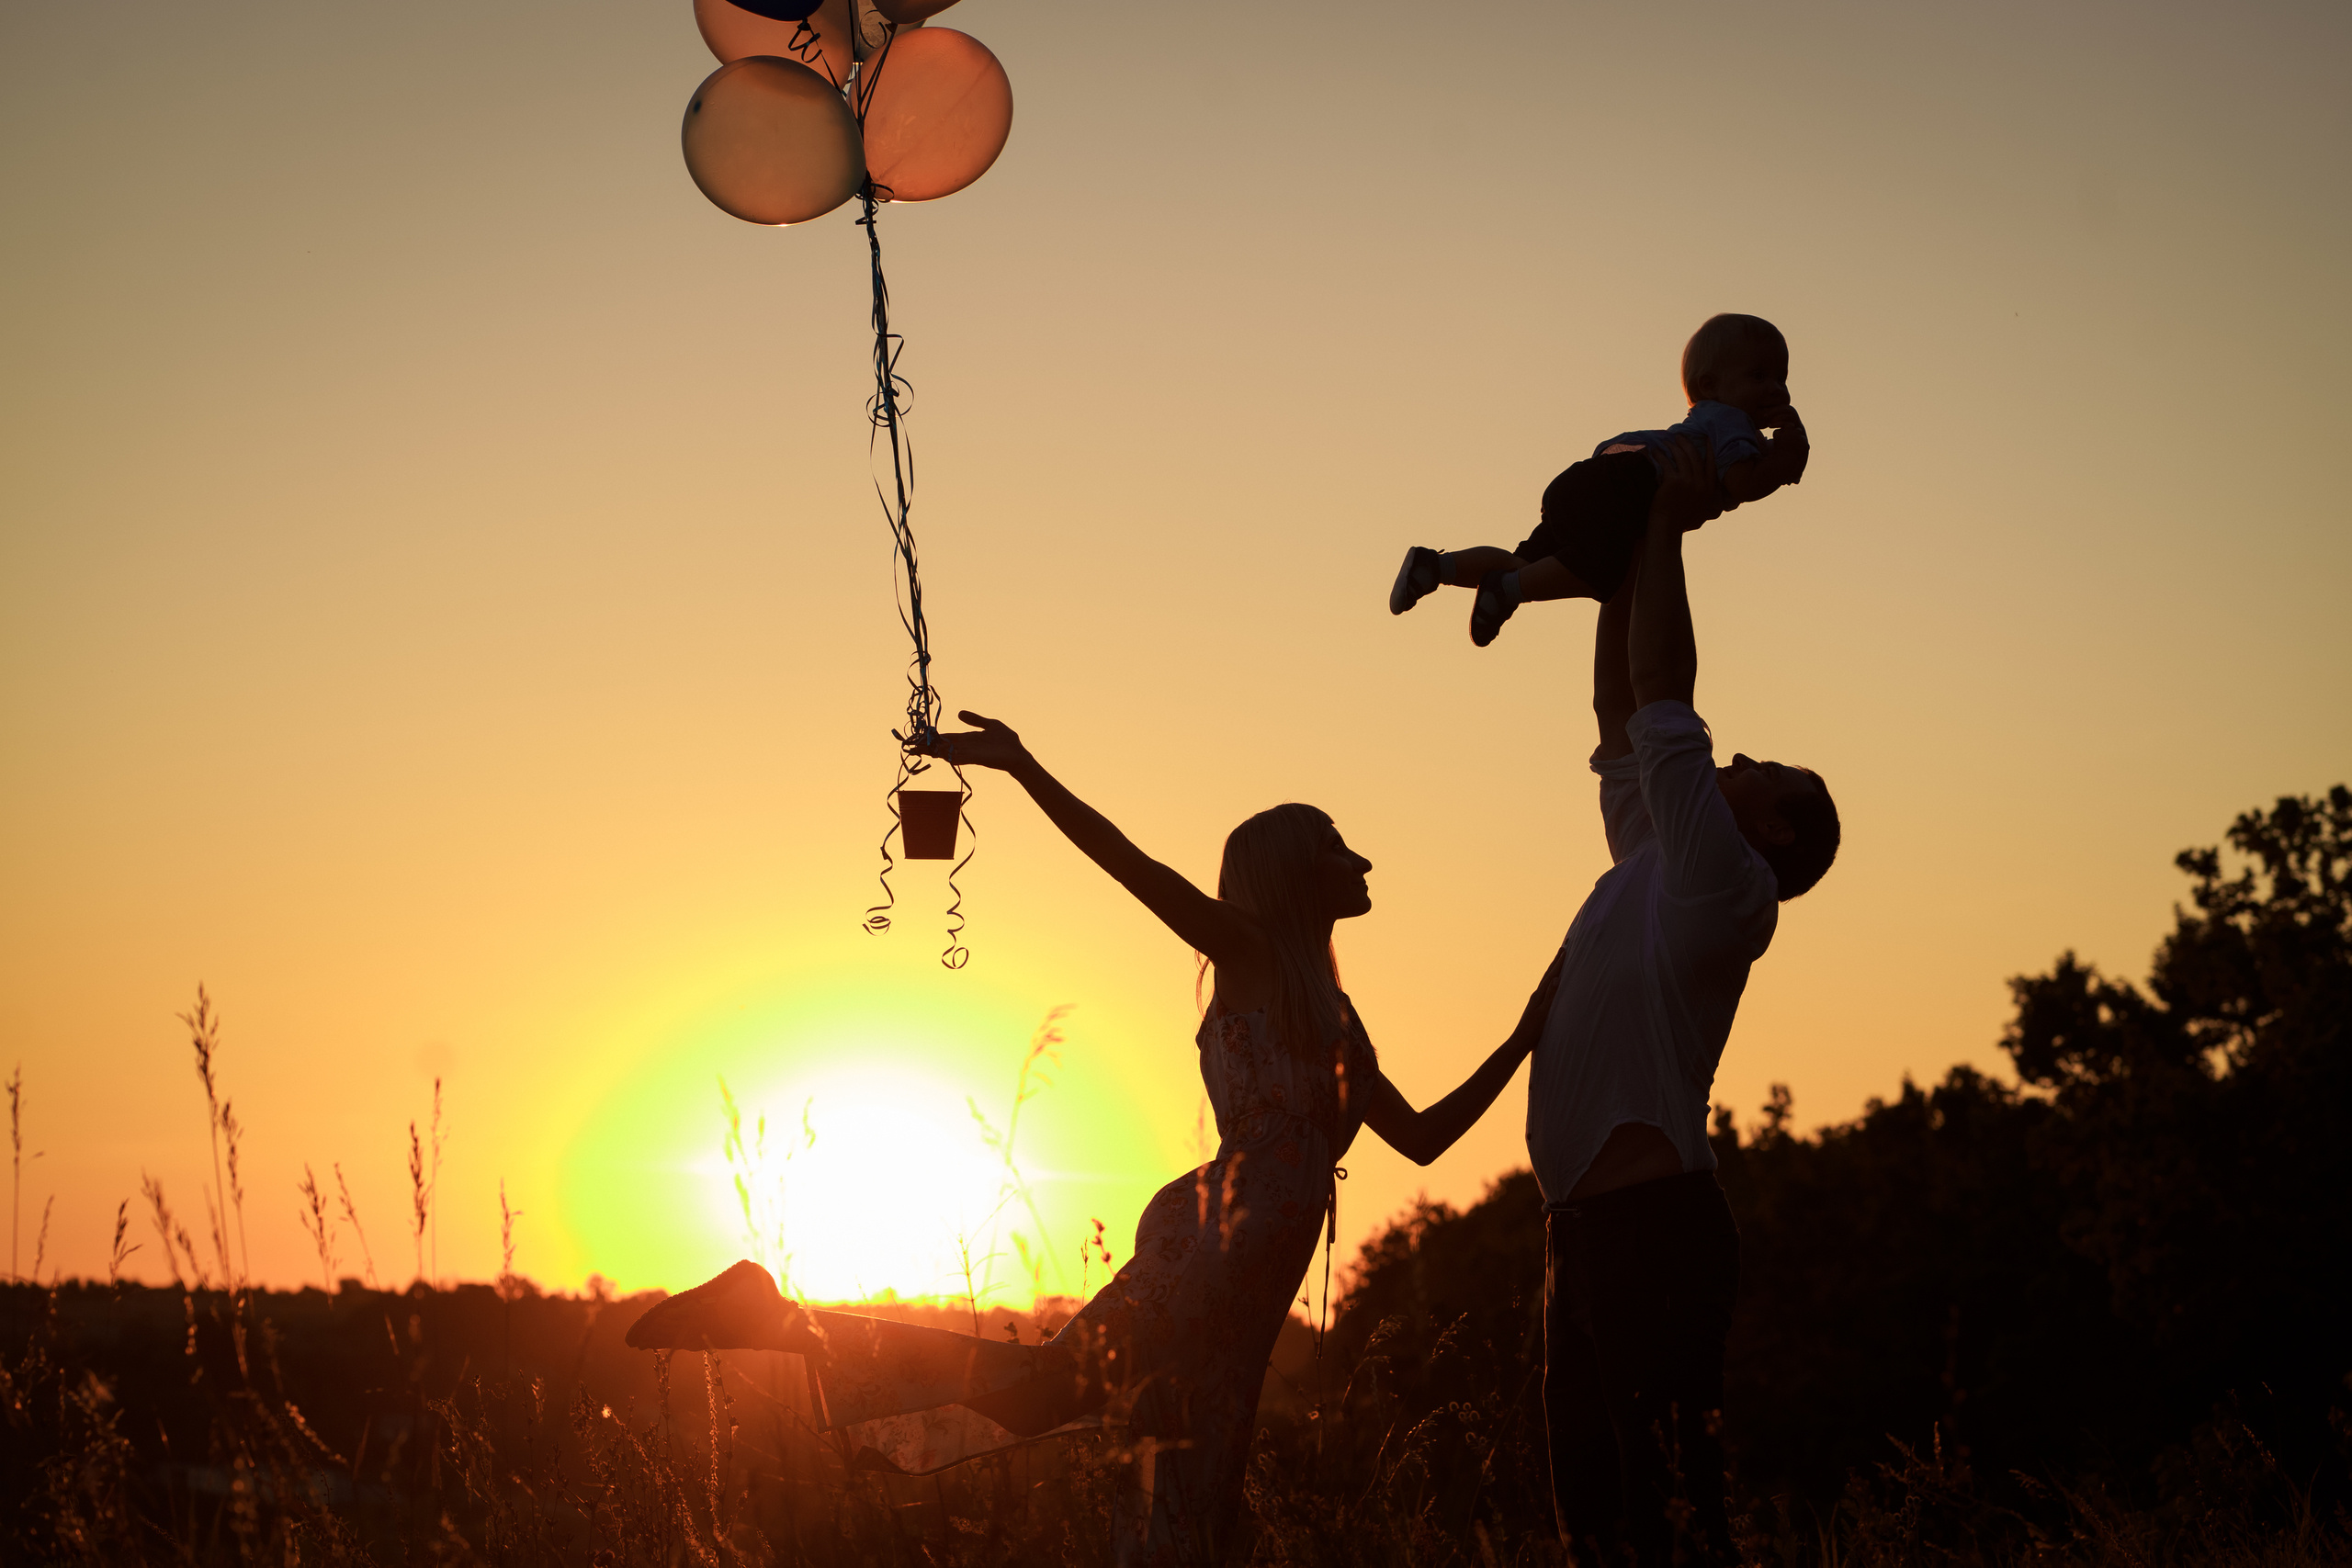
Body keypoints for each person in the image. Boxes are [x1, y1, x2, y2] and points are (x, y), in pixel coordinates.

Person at [629, 727, 1562, 1566]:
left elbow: (1429, 1139)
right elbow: (1130, 864)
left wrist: (1524, 1033)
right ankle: (779, 1320)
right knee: (1068, 1396)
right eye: (1333, 846)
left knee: (1191, 1490)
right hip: (1211, 1243)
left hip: (1252, 1285)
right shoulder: (1246, 954)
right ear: (1287, 874)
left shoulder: (1336, 1022)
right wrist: (1023, 766)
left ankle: (786, 1325)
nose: (1360, 859)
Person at [1532, 434, 1839, 1564]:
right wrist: (1619, 568)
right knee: (1602, 1531)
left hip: (1652, 1239)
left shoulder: (1728, 884)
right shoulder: (1657, 866)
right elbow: (1623, 723)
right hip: (1586, 1237)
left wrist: (1664, 518)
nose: (1741, 757)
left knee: (1671, 1524)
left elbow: (1666, 703)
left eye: (1766, 771)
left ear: (1774, 827)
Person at [1389, 313, 1811, 646]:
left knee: (1532, 561)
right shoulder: (1731, 422)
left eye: (1782, 378)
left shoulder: (1710, 424)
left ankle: (1437, 565)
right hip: (1619, 491)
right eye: (1760, 376)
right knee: (1602, 574)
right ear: (1709, 385)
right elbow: (1743, 483)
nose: (1777, 389)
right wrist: (1790, 454)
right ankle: (1506, 590)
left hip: (1591, 482)